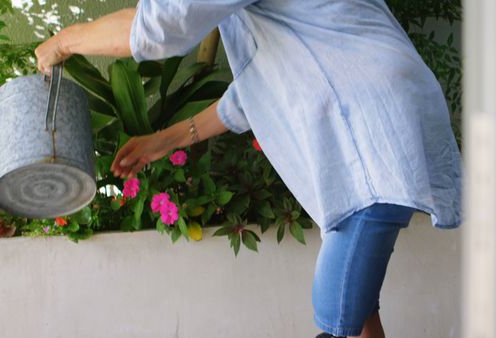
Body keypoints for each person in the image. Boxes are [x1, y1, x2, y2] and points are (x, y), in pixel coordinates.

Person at [35, 1, 462, 337]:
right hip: (378, 127)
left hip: (369, 133)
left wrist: (65, 41)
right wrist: (163, 140)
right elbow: (256, 89)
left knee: (336, 310)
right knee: (361, 314)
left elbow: (160, 24)